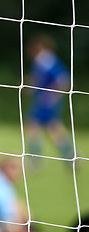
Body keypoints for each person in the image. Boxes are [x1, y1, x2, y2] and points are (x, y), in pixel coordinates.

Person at [26, 35, 73, 165]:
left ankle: (34, 160)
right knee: (53, 129)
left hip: (46, 102)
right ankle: (70, 156)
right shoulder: (42, 61)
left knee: (35, 127)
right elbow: (41, 80)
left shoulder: (47, 60)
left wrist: (52, 96)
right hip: (42, 101)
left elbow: (63, 80)